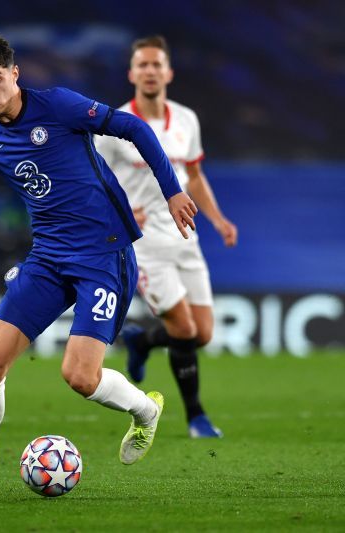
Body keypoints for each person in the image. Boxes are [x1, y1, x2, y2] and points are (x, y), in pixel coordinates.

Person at [0, 34, 198, 496]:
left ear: (15, 74)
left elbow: (134, 129)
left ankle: (145, 411)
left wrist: (172, 190)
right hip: (49, 257)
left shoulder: (59, 106)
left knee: (79, 377)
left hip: (103, 255)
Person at [95, 35, 237, 439]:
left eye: (157, 64)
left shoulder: (187, 120)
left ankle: (140, 342)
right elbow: (95, 179)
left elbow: (194, 177)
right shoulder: (115, 124)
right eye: (143, 65)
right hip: (146, 246)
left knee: (203, 333)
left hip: (186, 240)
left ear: (168, 72)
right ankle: (196, 417)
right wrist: (118, 212)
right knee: (185, 329)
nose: (150, 71)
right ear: (132, 73)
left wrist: (219, 220)